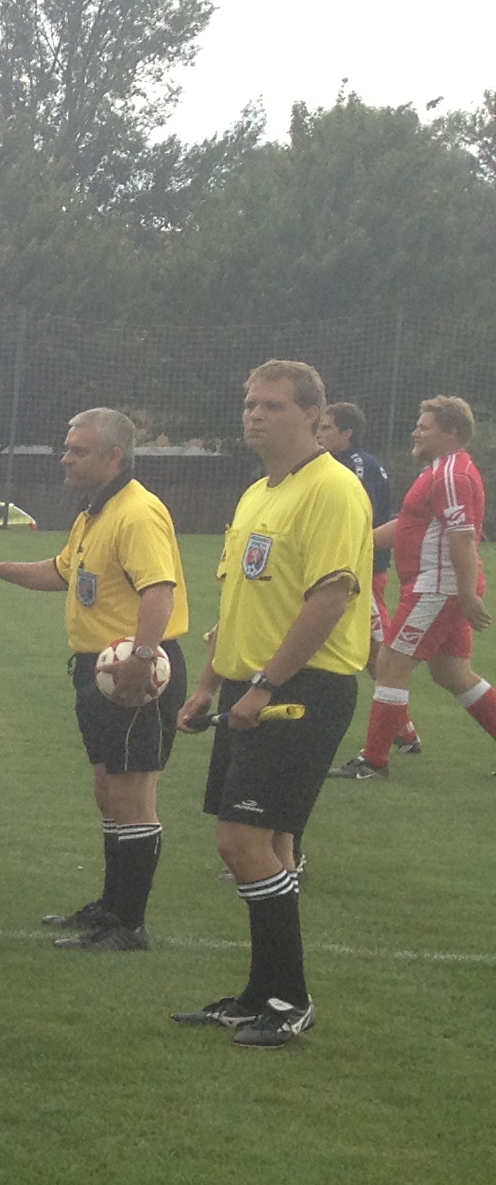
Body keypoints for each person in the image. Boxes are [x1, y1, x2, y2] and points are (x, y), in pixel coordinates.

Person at [169, 359, 372, 1046]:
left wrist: (263, 686)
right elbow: (239, 602)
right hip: (249, 686)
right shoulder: (258, 492)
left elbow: (330, 599)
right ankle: (262, 994)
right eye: (250, 403)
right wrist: (209, 683)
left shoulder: (333, 490)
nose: (255, 415)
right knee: (265, 844)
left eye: (273, 405)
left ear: (314, 416)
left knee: (243, 840)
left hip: (300, 691)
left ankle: (291, 999)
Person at [0, 406, 191, 950]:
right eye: (67, 447)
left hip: (133, 672)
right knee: (108, 790)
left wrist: (142, 658)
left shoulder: (137, 512)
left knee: (133, 797)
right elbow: (62, 572)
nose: (65, 458)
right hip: (98, 670)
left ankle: (129, 926)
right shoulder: (95, 513)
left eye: (78, 450)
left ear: (114, 457)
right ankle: (110, 907)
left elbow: (159, 591)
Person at [342, 395, 490, 777]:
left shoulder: (450, 475)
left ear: (450, 431)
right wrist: (356, 544)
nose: (415, 432)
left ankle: (373, 761)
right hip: (440, 588)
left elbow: (462, 537)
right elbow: (409, 524)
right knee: (452, 673)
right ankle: (377, 757)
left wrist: (467, 593)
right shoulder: (441, 470)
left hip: (435, 589)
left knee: (390, 663)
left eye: (424, 427)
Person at [319, 399, 408, 747]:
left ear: (347, 432)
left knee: (377, 651)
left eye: (326, 428)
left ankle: (401, 729)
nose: (320, 434)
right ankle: (402, 728)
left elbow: (357, 517)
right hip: (356, 568)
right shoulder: (347, 463)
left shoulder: (354, 467)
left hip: (363, 570)